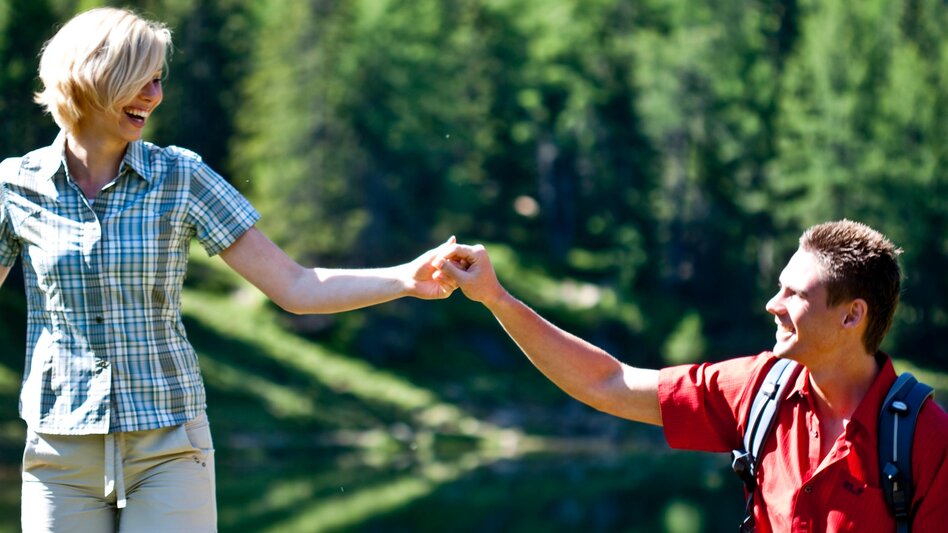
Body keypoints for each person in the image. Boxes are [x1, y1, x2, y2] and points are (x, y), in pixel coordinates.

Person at [0, 7, 457, 532]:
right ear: (90, 77)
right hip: (60, 453)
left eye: (157, 79)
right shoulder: (15, 185)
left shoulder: (182, 177)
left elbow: (295, 285)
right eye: (139, 79)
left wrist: (405, 278)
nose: (154, 95)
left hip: (169, 448)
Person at [436, 220, 948, 532]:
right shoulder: (755, 390)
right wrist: (496, 300)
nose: (773, 305)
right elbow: (606, 383)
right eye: (778, 287)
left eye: (796, 295)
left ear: (852, 316)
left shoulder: (926, 440)